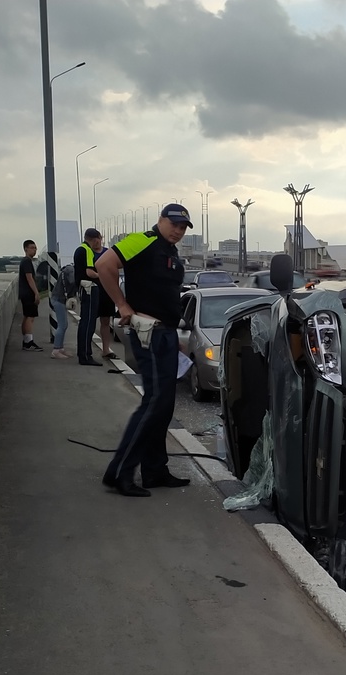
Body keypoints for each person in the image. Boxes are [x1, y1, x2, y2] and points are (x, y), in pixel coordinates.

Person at [96, 203, 192, 497]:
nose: (178, 230)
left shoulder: (171, 253)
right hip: (148, 333)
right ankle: (120, 472)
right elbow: (104, 266)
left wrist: (174, 333)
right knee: (154, 402)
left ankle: (155, 470)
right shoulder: (143, 240)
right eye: (174, 223)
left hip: (165, 334)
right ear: (161, 220)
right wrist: (123, 305)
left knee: (164, 406)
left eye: (183, 227)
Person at [73, 228, 105, 366]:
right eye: (99, 239)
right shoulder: (87, 250)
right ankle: (86, 355)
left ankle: (83, 353)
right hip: (90, 287)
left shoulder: (79, 249)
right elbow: (89, 271)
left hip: (82, 288)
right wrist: (102, 276)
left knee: (85, 321)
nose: (99, 242)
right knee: (89, 322)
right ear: (95, 238)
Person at [18, 240, 43, 351]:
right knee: (30, 317)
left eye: (35, 248)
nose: (34, 250)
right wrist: (36, 293)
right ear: (26, 249)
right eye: (32, 247)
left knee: (26, 316)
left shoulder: (24, 262)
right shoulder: (27, 262)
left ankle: (26, 340)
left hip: (24, 293)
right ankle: (29, 342)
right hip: (28, 293)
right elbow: (29, 278)